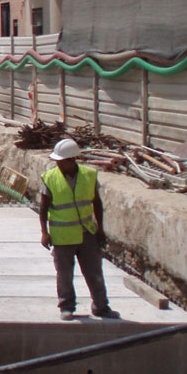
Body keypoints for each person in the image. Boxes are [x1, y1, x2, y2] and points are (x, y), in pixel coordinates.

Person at [39, 137, 119, 321]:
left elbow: (96, 203)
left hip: (87, 233)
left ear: (71, 160)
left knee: (94, 272)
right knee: (64, 274)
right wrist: (44, 232)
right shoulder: (50, 178)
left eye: (60, 161)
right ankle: (66, 306)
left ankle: (101, 306)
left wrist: (100, 229)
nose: (57, 164)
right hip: (62, 236)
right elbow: (43, 207)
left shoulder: (89, 176)